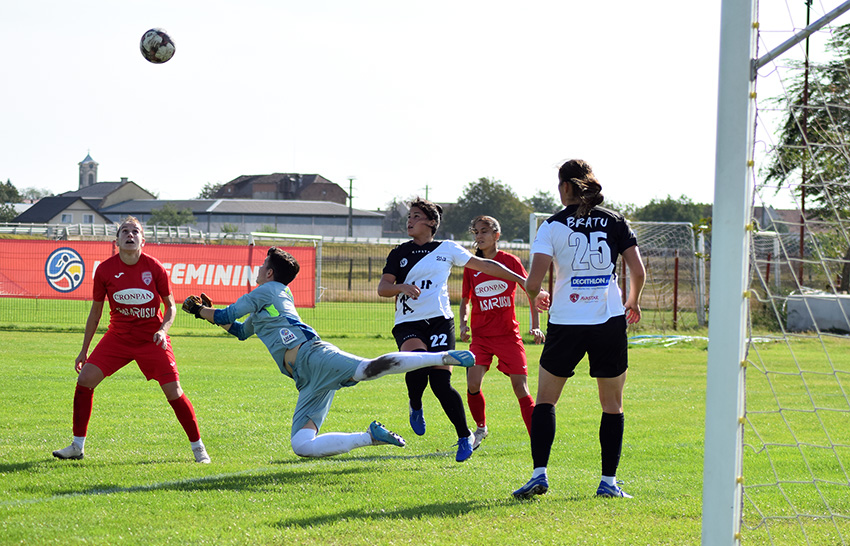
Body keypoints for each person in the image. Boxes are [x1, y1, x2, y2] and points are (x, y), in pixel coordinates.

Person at [182, 246, 477, 458]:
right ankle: (370, 437)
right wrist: (207, 313)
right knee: (301, 446)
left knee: (368, 369)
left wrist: (199, 310)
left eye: (262, 265)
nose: (258, 269)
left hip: (314, 355)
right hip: (306, 379)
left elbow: (225, 315)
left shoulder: (267, 290)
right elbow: (239, 330)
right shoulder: (266, 303)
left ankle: (441, 357)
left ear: (269, 272)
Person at [512, 159, 645, 499]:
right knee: (612, 405)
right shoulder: (615, 220)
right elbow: (638, 271)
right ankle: (608, 483)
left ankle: (539, 474)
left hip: (566, 322)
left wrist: (537, 296)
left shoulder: (551, 225)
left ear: (565, 187)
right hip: (608, 320)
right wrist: (632, 301)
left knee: (546, 400)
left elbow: (532, 282)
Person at [377, 198, 543, 463]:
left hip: (441, 321)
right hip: (408, 323)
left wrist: (525, 282)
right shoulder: (399, 253)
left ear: (431, 222)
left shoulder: (447, 248)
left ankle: (465, 436)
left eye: (416, 216)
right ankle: (415, 404)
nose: (410, 221)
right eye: (409, 216)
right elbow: (383, 288)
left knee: (441, 383)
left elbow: (488, 265)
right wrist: (400, 287)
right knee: (418, 364)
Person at [53, 216, 210, 463]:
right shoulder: (104, 270)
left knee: (174, 391)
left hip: (152, 339)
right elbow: (95, 312)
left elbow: (171, 307)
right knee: (85, 380)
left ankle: (199, 449)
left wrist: (163, 330)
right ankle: (77, 446)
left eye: (135, 231)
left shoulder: (155, 268)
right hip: (118, 337)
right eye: (124, 231)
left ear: (142, 240)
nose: (130, 234)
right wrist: (84, 350)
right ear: (116, 241)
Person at [459, 215, 545, 450]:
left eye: (484, 231)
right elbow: (465, 299)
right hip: (481, 338)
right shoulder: (471, 265)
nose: (479, 236)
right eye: (476, 232)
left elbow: (531, 290)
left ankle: (537, 440)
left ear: (497, 235)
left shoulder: (511, 261)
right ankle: (480, 428)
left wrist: (536, 324)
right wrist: (464, 324)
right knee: (473, 384)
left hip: (508, 336)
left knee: (521, 388)